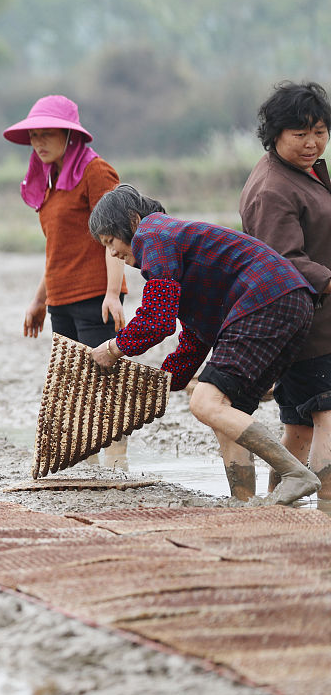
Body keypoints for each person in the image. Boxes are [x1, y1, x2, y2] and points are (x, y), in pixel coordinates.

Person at [88, 184, 320, 506]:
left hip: (265, 299)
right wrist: (162, 382)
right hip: (291, 300)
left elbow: (157, 320)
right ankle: (244, 502)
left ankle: (296, 474)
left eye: (110, 242)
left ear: (130, 219)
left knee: (204, 402)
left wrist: (114, 348)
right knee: (224, 412)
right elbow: (196, 338)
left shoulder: (151, 232)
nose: (112, 253)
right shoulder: (174, 245)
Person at [4, 94, 129, 466]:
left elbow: (118, 235)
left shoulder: (96, 172)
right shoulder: (49, 177)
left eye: (47, 134)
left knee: (104, 378)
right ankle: (88, 462)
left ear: (70, 136)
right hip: (61, 295)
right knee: (73, 383)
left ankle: (117, 462)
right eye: (34, 136)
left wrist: (112, 293)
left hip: (95, 294)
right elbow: (57, 247)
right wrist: (40, 299)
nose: (39, 143)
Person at [240, 81, 331, 499]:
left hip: (306, 323)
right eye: (301, 134)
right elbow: (285, 260)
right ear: (275, 134)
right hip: (310, 325)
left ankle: (280, 504)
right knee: (327, 417)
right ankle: (326, 507)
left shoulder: (302, 172)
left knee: (299, 422)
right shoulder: (272, 188)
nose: (313, 143)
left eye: (320, 131)